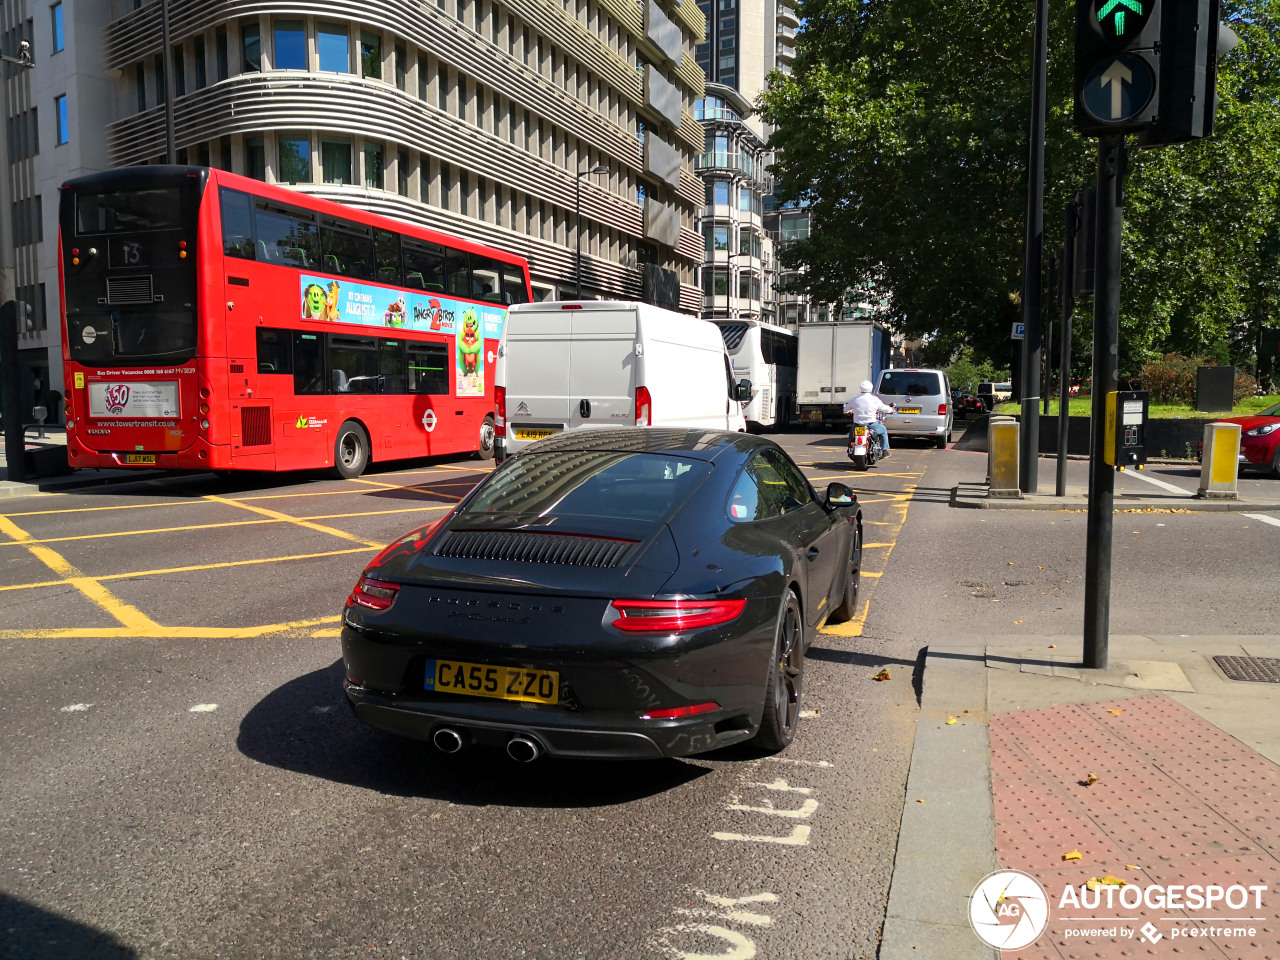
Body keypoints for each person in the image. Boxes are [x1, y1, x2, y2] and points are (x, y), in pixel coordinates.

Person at [844, 380, 895, 458]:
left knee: (852, 435)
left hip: (857, 425)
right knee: (883, 430)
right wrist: (891, 410)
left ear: (861, 389)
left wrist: (849, 412)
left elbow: (845, 409)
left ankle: (850, 448)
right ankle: (885, 451)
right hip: (871, 425)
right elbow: (884, 408)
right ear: (871, 389)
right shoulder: (874, 399)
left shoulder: (855, 399)